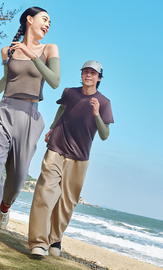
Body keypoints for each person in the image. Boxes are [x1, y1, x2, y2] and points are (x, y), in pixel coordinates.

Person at [0, 6, 60, 270]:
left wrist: (33, 55)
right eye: (44, 18)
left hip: (30, 118)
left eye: (50, 21)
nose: (48, 24)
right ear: (29, 20)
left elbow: (54, 81)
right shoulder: (8, 51)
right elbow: (6, 79)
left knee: (17, 179)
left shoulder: (50, 48)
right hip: (3, 111)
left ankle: (4, 207)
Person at [28, 60, 114, 256]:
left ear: (99, 78)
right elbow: (62, 108)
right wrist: (52, 127)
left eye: (93, 73)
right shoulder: (69, 92)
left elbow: (104, 134)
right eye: (85, 71)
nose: (88, 75)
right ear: (81, 74)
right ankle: (38, 243)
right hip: (57, 147)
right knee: (44, 191)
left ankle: (54, 239)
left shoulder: (104, 103)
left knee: (67, 202)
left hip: (79, 157)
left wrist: (96, 114)